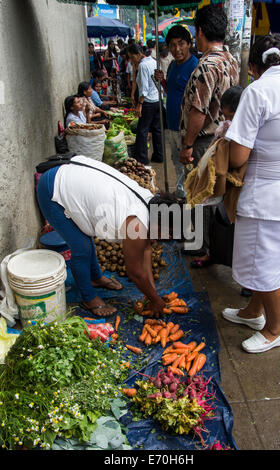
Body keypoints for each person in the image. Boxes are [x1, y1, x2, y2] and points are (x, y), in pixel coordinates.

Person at [221, 34, 280, 353]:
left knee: (266, 264)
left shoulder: (258, 91)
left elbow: (238, 156)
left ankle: (275, 329)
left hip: (265, 192)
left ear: (253, 66)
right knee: (264, 259)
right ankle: (254, 312)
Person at [36, 155, 181, 317]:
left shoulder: (151, 201)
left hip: (69, 178)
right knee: (81, 247)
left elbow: (146, 250)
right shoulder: (137, 225)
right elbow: (135, 272)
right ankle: (89, 298)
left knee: (85, 235)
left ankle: (95, 278)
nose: (168, 237)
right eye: (167, 231)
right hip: (52, 190)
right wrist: (155, 300)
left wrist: (151, 293)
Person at [179, 5, 239, 264]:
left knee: (199, 195)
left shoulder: (208, 65)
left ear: (200, 31)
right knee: (216, 194)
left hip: (205, 139)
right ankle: (212, 248)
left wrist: (187, 145)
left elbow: (198, 110)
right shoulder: (231, 59)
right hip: (224, 136)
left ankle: (199, 248)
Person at [154, 25, 199, 199]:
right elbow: (171, 89)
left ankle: (188, 197)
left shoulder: (195, 66)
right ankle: (181, 194)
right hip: (171, 124)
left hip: (185, 127)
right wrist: (162, 80)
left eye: (181, 44)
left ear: (189, 44)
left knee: (187, 165)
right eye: (172, 45)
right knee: (176, 162)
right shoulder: (173, 65)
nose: (176, 49)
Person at [128, 43, 163, 165]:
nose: (131, 60)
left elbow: (144, 88)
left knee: (142, 130)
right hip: (157, 100)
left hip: (148, 102)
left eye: (132, 57)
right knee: (157, 130)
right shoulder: (153, 61)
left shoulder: (143, 65)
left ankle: (142, 158)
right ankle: (159, 155)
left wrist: (139, 104)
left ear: (138, 54)